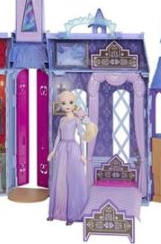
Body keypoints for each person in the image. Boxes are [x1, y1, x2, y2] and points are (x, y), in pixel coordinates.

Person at [47, 91, 98, 225]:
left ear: (74, 104)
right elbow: (58, 137)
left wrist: (82, 154)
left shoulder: (76, 120)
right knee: (60, 179)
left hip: (73, 149)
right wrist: (53, 152)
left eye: (70, 102)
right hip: (62, 149)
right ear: (60, 105)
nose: (67, 106)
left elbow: (81, 138)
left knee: (73, 179)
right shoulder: (62, 120)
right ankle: (56, 212)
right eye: (64, 103)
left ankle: (72, 213)